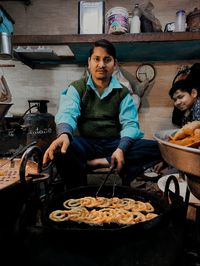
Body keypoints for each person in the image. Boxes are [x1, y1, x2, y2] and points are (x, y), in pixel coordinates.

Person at [43, 39, 163, 188]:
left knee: (158, 148)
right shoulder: (77, 88)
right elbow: (68, 112)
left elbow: (130, 124)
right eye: (96, 59)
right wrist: (64, 134)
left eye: (107, 59)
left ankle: (100, 162)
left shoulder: (123, 93)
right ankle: (78, 192)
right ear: (89, 62)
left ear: (114, 63)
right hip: (85, 144)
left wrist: (121, 149)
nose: (101, 65)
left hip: (114, 144)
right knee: (62, 149)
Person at [170, 63, 200, 127]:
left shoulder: (198, 107)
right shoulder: (189, 109)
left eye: (180, 97)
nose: (177, 102)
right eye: (174, 100)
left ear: (194, 93)